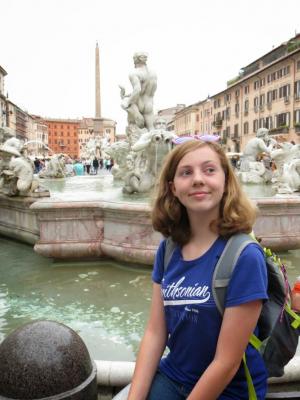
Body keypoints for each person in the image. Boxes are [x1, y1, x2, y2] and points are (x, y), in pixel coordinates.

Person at [128, 139, 268, 400]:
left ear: (226, 180)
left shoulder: (244, 256)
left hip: (229, 390)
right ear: (173, 188)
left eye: (209, 170)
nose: (198, 179)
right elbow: (155, 332)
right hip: (174, 377)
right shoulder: (168, 249)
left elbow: (226, 363)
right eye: (186, 172)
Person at [120, 52, 157, 131]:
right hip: (149, 104)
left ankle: (137, 116)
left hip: (140, 104)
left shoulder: (134, 73)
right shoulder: (153, 73)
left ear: (135, 60)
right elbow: (145, 90)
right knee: (151, 130)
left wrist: (127, 101)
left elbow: (137, 90)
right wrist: (128, 95)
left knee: (124, 102)